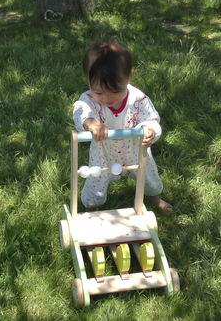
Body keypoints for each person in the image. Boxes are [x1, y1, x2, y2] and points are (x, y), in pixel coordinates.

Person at [73, 42, 173, 212]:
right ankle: (91, 207)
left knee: (148, 175)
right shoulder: (88, 100)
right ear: (88, 81)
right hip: (103, 152)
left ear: (128, 77)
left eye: (115, 91)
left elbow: (151, 118)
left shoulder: (138, 99)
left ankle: (155, 198)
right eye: (99, 92)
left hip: (135, 149)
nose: (107, 98)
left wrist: (149, 129)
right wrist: (91, 123)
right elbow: (80, 111)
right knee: (96, 177)